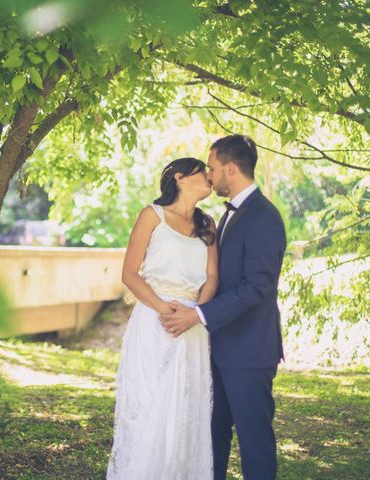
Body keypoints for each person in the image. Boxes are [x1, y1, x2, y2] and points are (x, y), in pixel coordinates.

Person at [160, 135, 287, 480]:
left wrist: (198, 315)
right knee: (211, 442)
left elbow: (257, 288)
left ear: (230, 169)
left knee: (254, 444)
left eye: (213, 168)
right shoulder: (226, 216)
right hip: (216, 351)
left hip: (249, 354)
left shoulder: (264, 217)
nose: (210, 175)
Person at [107, 157, 218, 479]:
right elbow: (130, 273)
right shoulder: (151, 216)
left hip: (193, 325)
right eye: (203, 173)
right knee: (148, 406)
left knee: (185, 410)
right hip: (154, 321)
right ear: (180, 178)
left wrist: (196, 313)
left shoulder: (207, 224)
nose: (210, 178)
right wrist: (162, 308)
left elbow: (212, 276)